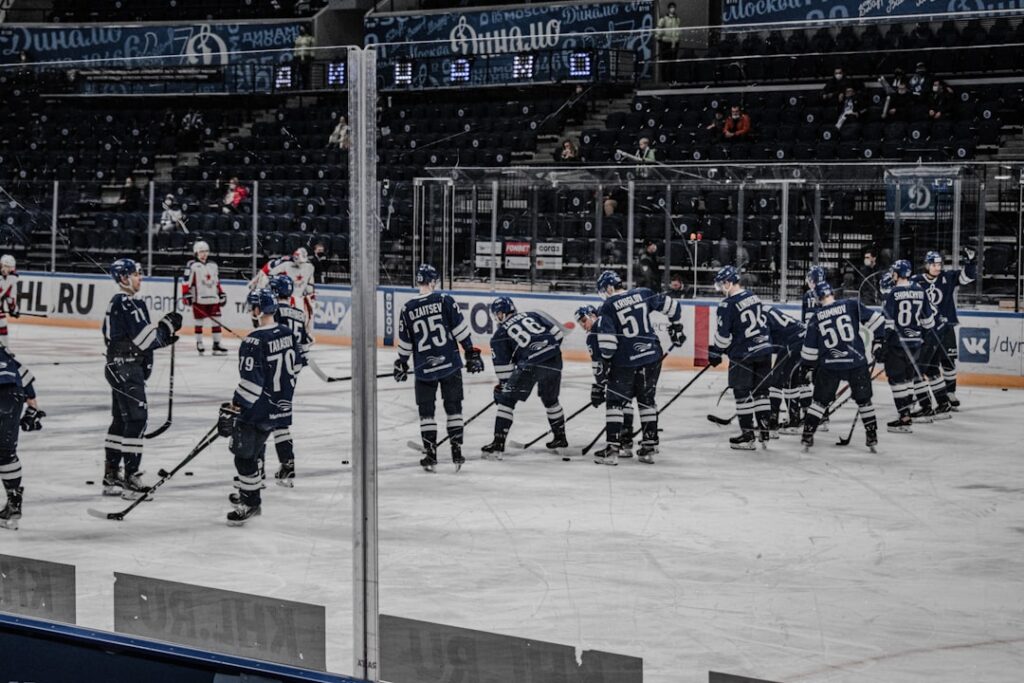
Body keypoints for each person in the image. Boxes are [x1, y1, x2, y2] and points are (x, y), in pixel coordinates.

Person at [102, 259, 182, 499]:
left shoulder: (125, 302)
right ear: (124, 278)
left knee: (121, 420)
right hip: (126, 368)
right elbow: (147, 340)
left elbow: (141, 339)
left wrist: (164, 335)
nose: (141, 278)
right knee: (137, 420)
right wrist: (167, 327)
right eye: (137, 274)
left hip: (120, 366)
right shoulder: (126, 303)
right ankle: (131, 479)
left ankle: (111, 475)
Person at [218, 288, 299, 525]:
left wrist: (235, 407)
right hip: (278, 408)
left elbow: (251, 384)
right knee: (252, 454)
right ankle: (249, 496)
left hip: (258, 410)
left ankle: (251, 502)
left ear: (256, 309)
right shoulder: (286, 332)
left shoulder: (254, 340)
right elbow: (293, 368)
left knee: (244, 457)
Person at [394, 264, 484, 472]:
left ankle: (431, 454)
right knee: (454, 408)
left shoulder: (407, 308)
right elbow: (460, 331)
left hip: (424, 369)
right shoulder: (445, 300)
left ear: (418, 282)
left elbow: (406, 344)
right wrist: (470, 353)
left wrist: (401, 362)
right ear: (433, 282)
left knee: (427, 413)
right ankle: (456, 451)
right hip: (450, 365)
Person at [593, 270, 685, 465]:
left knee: (616, 401)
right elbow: (674, 307)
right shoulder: (643, 293)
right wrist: (676, 326)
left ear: (609, 288)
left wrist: (606, 364)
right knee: (646, 399)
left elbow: (608, 346)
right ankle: (649, 447)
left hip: (626, 361)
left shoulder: (608, 306)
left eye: (603, 291)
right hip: (652, 356)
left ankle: (612, 450)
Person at [800, 282, 883, 451]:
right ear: (832, 293)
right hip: (856, 362)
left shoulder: (816, 317)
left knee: (819, 402)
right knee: (864, 400)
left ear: (817, 299)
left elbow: (809, 351)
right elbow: (878, 321)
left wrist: (808, 368)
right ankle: (872, 435)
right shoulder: (851, 305)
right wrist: (878, 342)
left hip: (830, 365)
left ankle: (808, 434)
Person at [481, 298, 566, 458]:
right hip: (554, 358)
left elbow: (504, 372)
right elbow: (558, 334)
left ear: (500, 314)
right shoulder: (533, 314)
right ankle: (560, 438)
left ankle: (498, 444)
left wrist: (503, 389)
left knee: (507, 401)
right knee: (551, 400)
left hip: (530, 365)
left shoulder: (499, 335)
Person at [707, 266, 773, 450]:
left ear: (728, 282)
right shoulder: (754, 296)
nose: (720, 289)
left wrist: (716, 353)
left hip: (744, 354)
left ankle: (747, 435)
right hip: (765, 350)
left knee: (742, 393)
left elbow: (723, 336)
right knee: (761, 393)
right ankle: (765, 432)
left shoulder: (727, 305)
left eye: (721, 284)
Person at [876, 259, 937, 433]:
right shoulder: (920, 291)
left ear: (897, 273)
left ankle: (904, 417)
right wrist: (920, 338)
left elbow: (888, 324)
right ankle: (907, 413)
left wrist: (883, 344)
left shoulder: (893, 294)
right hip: (915, 343)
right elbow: (928, 322)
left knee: (896, 381)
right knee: (909, 380)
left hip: (897, 343)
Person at [911, 248, 976, 410]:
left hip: (946, 327)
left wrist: (970, 262)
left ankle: (950, 392)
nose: (937, 267)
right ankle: (920, 395)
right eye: (934, 264)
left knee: (948, 360)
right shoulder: (916, 281)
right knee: (925, 365)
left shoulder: (948, 277)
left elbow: (968, 277)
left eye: (939, 264)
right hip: (926, 330)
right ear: (926, 265)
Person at [576, 305, 638, 457]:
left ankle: (615, 445)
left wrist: (599, 384)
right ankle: (626, 442)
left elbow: (599, 363)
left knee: (615, 405)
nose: (583, 325)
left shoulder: (593, 335)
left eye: (584, 320)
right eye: (580, 323)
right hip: (632, 368)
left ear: (593, 315)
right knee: (626, 402)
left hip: (616, 373)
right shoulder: (613, 325)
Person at [267, 274, 311, 486]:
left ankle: (255, 473)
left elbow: (268, 338)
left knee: (261, 420)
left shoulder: (273, 311)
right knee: (281, 420)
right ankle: (287, 465)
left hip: (271, 372)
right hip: (290, 375)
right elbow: (305, 344)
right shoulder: (300, 314)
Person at [0, 345, 43, 530]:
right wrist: (33, 409)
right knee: (7, 453)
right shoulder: (3, 351)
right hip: (13, 395)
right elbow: (24, 374)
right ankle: (14, 502)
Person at [764, 306, 806, 435]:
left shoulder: (760, 315)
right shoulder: (766, 309)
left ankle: (772, 424)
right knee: (790, 381)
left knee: (775, 382)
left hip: (792, 342)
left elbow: (766, 343)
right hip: (803, 339)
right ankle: (794, 421)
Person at [182, 241, 228, 356]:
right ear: (196, 252)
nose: (204, 254)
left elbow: (216, 282)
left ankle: (216, 344)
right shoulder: (192, 265)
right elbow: (185, 282)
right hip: (199, 299)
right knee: (199, 322)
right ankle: (199, 343)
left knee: (217, 321)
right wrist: (186, 294)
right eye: (201, 251)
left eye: (206, 251)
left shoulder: (213, 265)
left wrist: (221, 293)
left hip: (213, 298)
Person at [252, 247, 316, 320]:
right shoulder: (287, 265)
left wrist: (311, 296)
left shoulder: (309, 267)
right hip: (288, 299)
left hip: (299, 299)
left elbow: (310, 287)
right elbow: (271, 274)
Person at [656, 2, 682, 83]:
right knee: (665, 62)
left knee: (672, 62)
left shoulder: (677, 19)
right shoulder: (664, 19)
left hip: (674, 42)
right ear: (669, 8)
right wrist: (659, 39)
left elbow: (677, 30)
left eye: (673, 7)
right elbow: (658, 30)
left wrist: (678, 39)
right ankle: (665, 80)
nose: (672, 9)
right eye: (671, 7)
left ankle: (672, 79)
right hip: (666, 42)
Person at [0, 255, 20, 348]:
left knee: (2, 322)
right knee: (2, 321)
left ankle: (5, 348)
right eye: (6, 266)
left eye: (10, 267)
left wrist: (13, 309)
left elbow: (10, 297)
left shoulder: (12, 279)